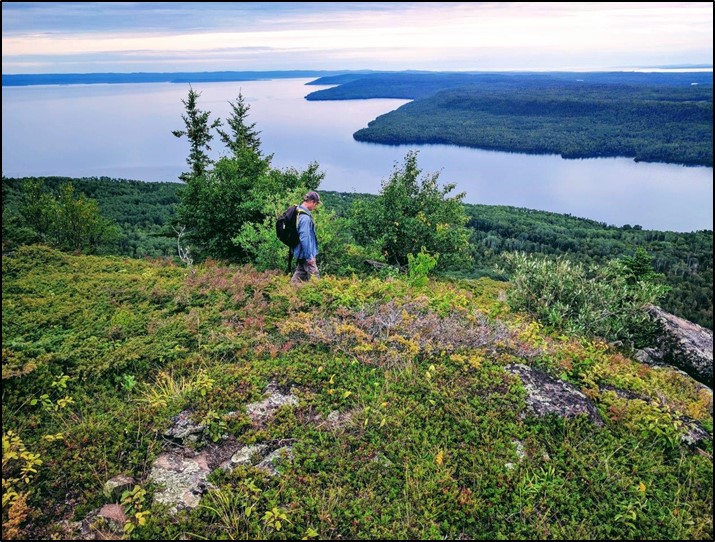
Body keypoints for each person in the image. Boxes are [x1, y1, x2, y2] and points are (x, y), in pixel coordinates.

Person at [291, 191, 321, 283]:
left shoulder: (297, 212)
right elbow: (305, 238)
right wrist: (309, 257)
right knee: (316, 281)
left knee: (299, 275)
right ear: (312, 201)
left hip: (300, 252)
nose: (315, 207)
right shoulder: (305, 218)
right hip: (306, 254)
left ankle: (289, 293)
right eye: (315, 204)